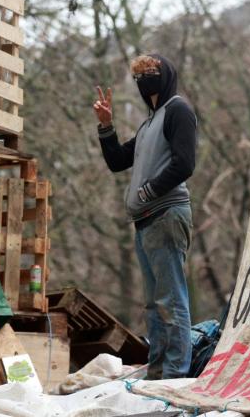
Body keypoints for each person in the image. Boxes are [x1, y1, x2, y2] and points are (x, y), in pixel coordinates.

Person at [93, 54, 197, 380]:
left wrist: (148, 191)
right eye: (139, 75)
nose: (145, 79)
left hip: (166, 214)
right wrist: (106, 126)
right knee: (154, 305)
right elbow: (117, 160)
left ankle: (175, 375)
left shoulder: (178, 110)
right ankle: (157, 373)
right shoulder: (150, 122)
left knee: (171, 301)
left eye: (151, 72)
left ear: (165, 75)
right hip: (146, 222)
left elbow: (185, 163)